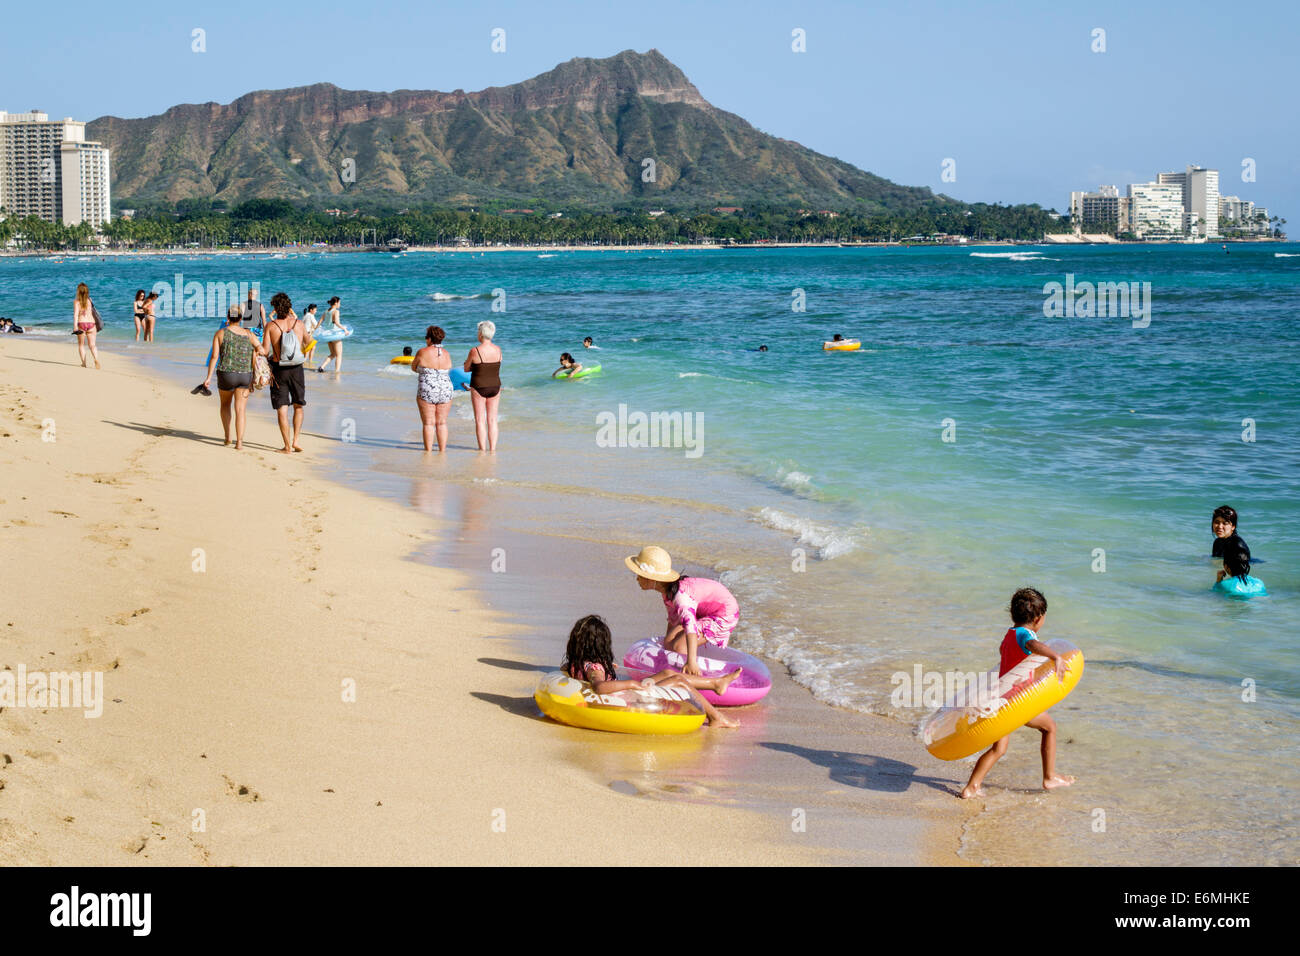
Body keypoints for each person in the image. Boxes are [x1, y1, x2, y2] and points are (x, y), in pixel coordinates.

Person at [960, 588, 1075, 799]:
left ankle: (972, 787)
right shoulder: (1025, 635)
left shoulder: (1009, 635)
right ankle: (1049, 777)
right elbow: (1033, 644)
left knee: (998, 749)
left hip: (1003, 699)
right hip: (1018, 701)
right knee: (1050, 728)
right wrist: (1056, 657)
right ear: (1040, 618)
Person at [561, 614, 739, 728]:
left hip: (629, 692)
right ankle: (715, 716)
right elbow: (599, 687)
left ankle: (716, 683)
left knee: (669, 673)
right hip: (630, 697)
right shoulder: (594, 668)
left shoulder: (577, 663)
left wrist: (605, 668)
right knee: (678, 680)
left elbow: (571, 671)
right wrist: (631, 683)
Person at [624, 545, 739, 676]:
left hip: (724, 613)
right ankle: (676, 670)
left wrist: (691, 661)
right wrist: (665, 651)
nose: (637, 579)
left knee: (679, 646)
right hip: (704, 610)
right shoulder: (667, 591)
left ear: (651, 579)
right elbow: (673, 619)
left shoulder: (681, 598)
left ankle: (691, 677)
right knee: (669, 642)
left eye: (639, 575)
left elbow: (690, 628)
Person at [199, 304, 265, 449]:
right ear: (241, 318)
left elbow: (214, 357)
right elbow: (262, 350)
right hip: (244, 375)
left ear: (228, 318)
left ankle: (228, 438)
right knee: (240, 409)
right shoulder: (249, 334)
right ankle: (239, 442)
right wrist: (257, 351)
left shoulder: (220, 333)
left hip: (226, 374)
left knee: (225, 405)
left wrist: (208, 377)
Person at [263, 291, 309, 454]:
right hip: (297, 369)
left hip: (278, 369)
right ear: (290, 307)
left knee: (282, 408)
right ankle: (296, 440)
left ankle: (287, 447)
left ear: (274, 307)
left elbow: (265, 350)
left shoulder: (271, 325)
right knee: (298, 405)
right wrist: (301, 351)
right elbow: (309, 343)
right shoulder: (299, 324)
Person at [412, 325, 453, 452]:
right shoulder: (446, 353)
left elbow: (413, 367)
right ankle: (442, 451)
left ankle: (428, 452)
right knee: (442, 423)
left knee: (428, 423)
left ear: (429, 339)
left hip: (428, 388)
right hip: (446, 388)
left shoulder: (422, 352)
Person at [465, 320, 502, 451]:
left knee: (480, 420)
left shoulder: (475, 350)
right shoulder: (498, 349)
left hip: (479, 386)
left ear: (480, 334)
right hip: (495, 387)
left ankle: (482, 450)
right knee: (492, 420)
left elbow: (466, 368)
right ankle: (492, 450)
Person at [72, 283, 100, 369]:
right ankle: (96, 359)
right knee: (92, 345)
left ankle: (84, 363)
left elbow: (76, 315)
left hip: (81, 324)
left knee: (81, 345)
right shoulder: (90, 300)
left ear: (78, 291)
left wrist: (75, 327)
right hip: (91, 324)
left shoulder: (76, 302)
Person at [316, 296, 344, 372]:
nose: (340, 305)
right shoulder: (336, 311)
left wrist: (315, 330)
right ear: (336, 303)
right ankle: (337, 372)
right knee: (339, 355)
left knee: (333, 354)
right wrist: (345, 329)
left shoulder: (326, 311)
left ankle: (321, 367)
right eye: (339, 303)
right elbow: (337, 323)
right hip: (334, 335)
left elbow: (320, 321)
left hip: (328, 336)